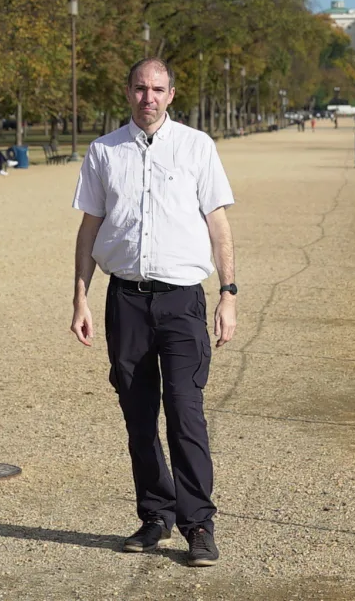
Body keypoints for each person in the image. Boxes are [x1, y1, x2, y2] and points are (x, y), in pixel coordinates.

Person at [70, 57, 236, 568]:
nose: (149, 97)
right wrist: (80, 296)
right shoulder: (104, 152)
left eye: (158, 89)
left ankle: (198, 524)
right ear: (128, 93)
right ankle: (156, 514)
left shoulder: (196, 147)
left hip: (182, 300)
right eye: (141, 88)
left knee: (185, 413)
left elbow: (218, 226)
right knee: (138, 416)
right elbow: (89, 230)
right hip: (126, 300)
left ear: (171, 93)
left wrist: (229, 293)